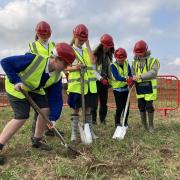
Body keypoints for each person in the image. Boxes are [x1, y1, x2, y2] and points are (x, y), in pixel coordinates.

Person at [0, 43, 76, 165]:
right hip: (17, 89)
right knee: (22, 116)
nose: (66, 67)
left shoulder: (57, 76)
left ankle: (37, 140)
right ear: (56, 59)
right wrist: (16, 81)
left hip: (35, 89)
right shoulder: (34, 59)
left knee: (45, 110)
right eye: (65, 64)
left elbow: (56, 98)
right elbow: (5, 62)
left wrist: (52, 119)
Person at [29, 21, 63, 137]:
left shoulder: (54, 45)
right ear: (37, 33)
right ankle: (36, 132)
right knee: (41, 108)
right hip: (42, 81)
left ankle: (50, 129)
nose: (44, 36)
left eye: (46, 34)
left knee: (55, 104)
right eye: (42, 34)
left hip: (55, 80)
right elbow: (35, 62)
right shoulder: (33, 46)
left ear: (50, 34)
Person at [67, 24, 98, 142]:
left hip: (89, 86)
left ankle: (89, 132)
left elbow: (93, 61)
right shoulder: (69, 50)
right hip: (76, 87)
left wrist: (88, 45)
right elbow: (65, 68)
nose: (81, 42)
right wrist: (75, 68)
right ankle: (74, 134)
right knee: (75, 110)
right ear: (74, 36)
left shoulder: (86, 50)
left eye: (83, 40)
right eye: (79, 39)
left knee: (88, 110)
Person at [132, 40, 160, 133]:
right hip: (139, 88)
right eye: (137, 53)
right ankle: (144, 125)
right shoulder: (134, 62)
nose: (139, 55)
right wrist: (131, 79)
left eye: (141, 53)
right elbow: (132, 73)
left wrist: (140, 76)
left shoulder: (152, 60)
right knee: (141, 106)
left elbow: (153, 73)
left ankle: (151, 126)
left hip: (149, 88)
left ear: (145, 51)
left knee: (149, 106)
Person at [91, 34, 114, 124]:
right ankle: (93, 120)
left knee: (104, 103)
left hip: (105, 82)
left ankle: (102, 119)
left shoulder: (108, 57)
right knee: (94, 103)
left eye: (109, 46)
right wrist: (101, 79)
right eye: (106, 46)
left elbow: (109, 71)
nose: (107, 48)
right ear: (101, 45)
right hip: (95, 82)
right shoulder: (95, 55)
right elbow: (92, 71)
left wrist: (110, 81)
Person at [110, 48, 133, 127]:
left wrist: (131, 79)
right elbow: (117, 77)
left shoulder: (127, 64)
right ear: (116, 58)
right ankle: (117, 123)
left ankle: (125, 122)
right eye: (119, 59)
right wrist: (126, 80)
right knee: (119, 107)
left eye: (123, 59)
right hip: (117, 90)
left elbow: (130, 74)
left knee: (126, 107)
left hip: (126, 89)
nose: (121, 61)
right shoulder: (113, 66)